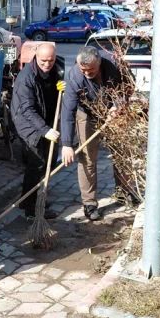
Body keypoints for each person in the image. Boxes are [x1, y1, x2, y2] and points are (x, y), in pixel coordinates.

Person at [60, 46, 129, 221]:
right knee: (87, 158)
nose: (87, 73)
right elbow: (68, 112)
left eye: (91, 70)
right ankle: (89, 203)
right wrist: (66, 144)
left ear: (99, 63)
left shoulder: (112, 66)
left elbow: (127, 87)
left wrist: (118, 104)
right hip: (86, 114)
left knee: (121, 154)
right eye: (83, 70)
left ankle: (125, 193)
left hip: (111, 113)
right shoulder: (75, 77)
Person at [10, 43, 64, 219]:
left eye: (51, 60)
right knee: (37, 163)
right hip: (28, 124)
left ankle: (28, 199)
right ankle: (31, 209)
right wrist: (44, 130)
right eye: (43, 61)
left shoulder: (57, 68)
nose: (47, 64)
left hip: (47, 119)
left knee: (49, 162)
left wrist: (63, 86)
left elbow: (59, 88)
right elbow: (27, 109)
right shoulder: (26, 78)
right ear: (36, 57)